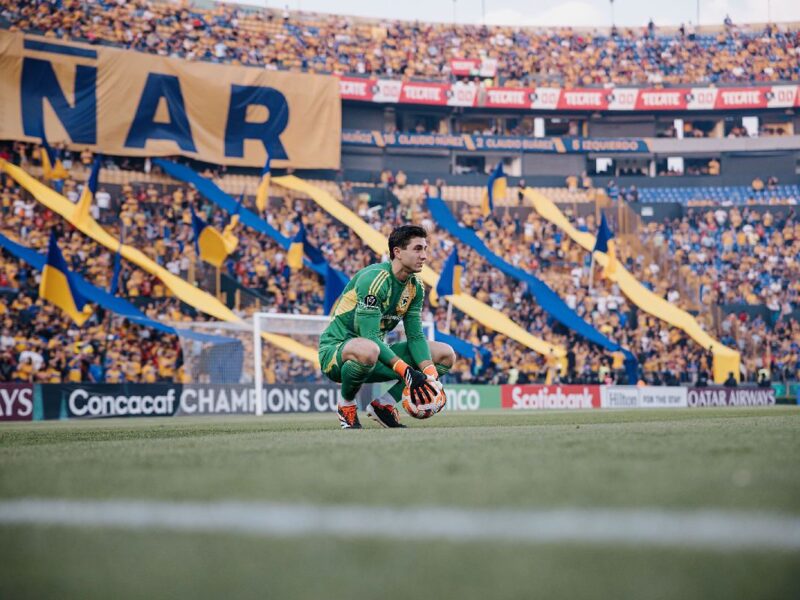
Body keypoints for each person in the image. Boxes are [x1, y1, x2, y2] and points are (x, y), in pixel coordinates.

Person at [318, 225, 456, 429]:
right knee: (368, 348)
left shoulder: (415, 286)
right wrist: (407, 372)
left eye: (425, 249)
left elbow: (416, 336)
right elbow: (370, 336)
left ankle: (384, 405)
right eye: (418, 249)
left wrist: (431, 377)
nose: (424, 256)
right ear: (397, 252)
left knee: (445, 355)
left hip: (376, 356)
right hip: (337, 353)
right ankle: (346, 404)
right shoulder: (374, 279)